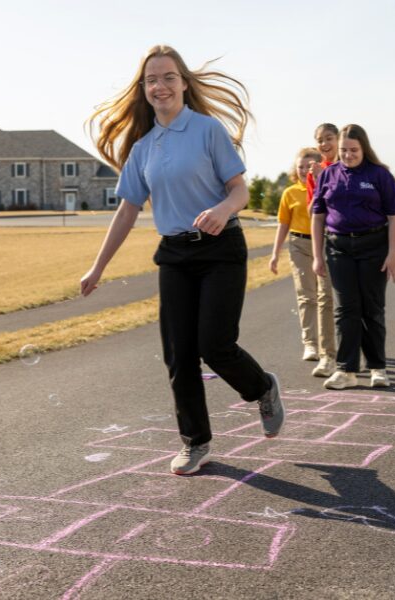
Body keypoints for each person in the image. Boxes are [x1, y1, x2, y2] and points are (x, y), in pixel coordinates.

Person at [80, 45, 284, 476]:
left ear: (184, 83)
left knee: (215, 345)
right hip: (174, 254)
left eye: (169, 77)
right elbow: (127, 211)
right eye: (152, 80)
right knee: (179, 353)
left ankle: (262, 388)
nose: (160, 86)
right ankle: (196, 442)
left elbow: (239, 190)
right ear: (144, 89)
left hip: (220, 248)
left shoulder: (207, 130)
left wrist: (223, 210)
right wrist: (97, 267)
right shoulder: (142, 149)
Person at [311, 124, 395, 389]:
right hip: (338, 249)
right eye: (343, 150)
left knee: (372, 308)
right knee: (346, 309)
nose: (348, 155)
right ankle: (346, 370)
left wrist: (393, 253)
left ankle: (377, 367)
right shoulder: (328, 174)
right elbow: (317, 218)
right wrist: (317, 256)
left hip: (374, 247)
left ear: (364, 148)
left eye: (354, 150)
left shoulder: (380, 175)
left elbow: (394, 218)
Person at [269, 147, 336, 377]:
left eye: (308, 166)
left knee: (324, 295)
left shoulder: (325, 185)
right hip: (298, 244)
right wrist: (275, 253)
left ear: (317, 166)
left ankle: (329, 344)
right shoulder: (289, 193)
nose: (302, 170)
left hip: (324, 242)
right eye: (299, 166)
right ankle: (310, 343)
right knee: (306, 295)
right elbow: (283, 224)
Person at [305, 123, 339, 205]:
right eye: (320, 141)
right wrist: (319, 181)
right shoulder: (313, 172)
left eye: (329, 138)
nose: (324, 143)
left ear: (338, 139)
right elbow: (312, 212)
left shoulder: (349, 165)